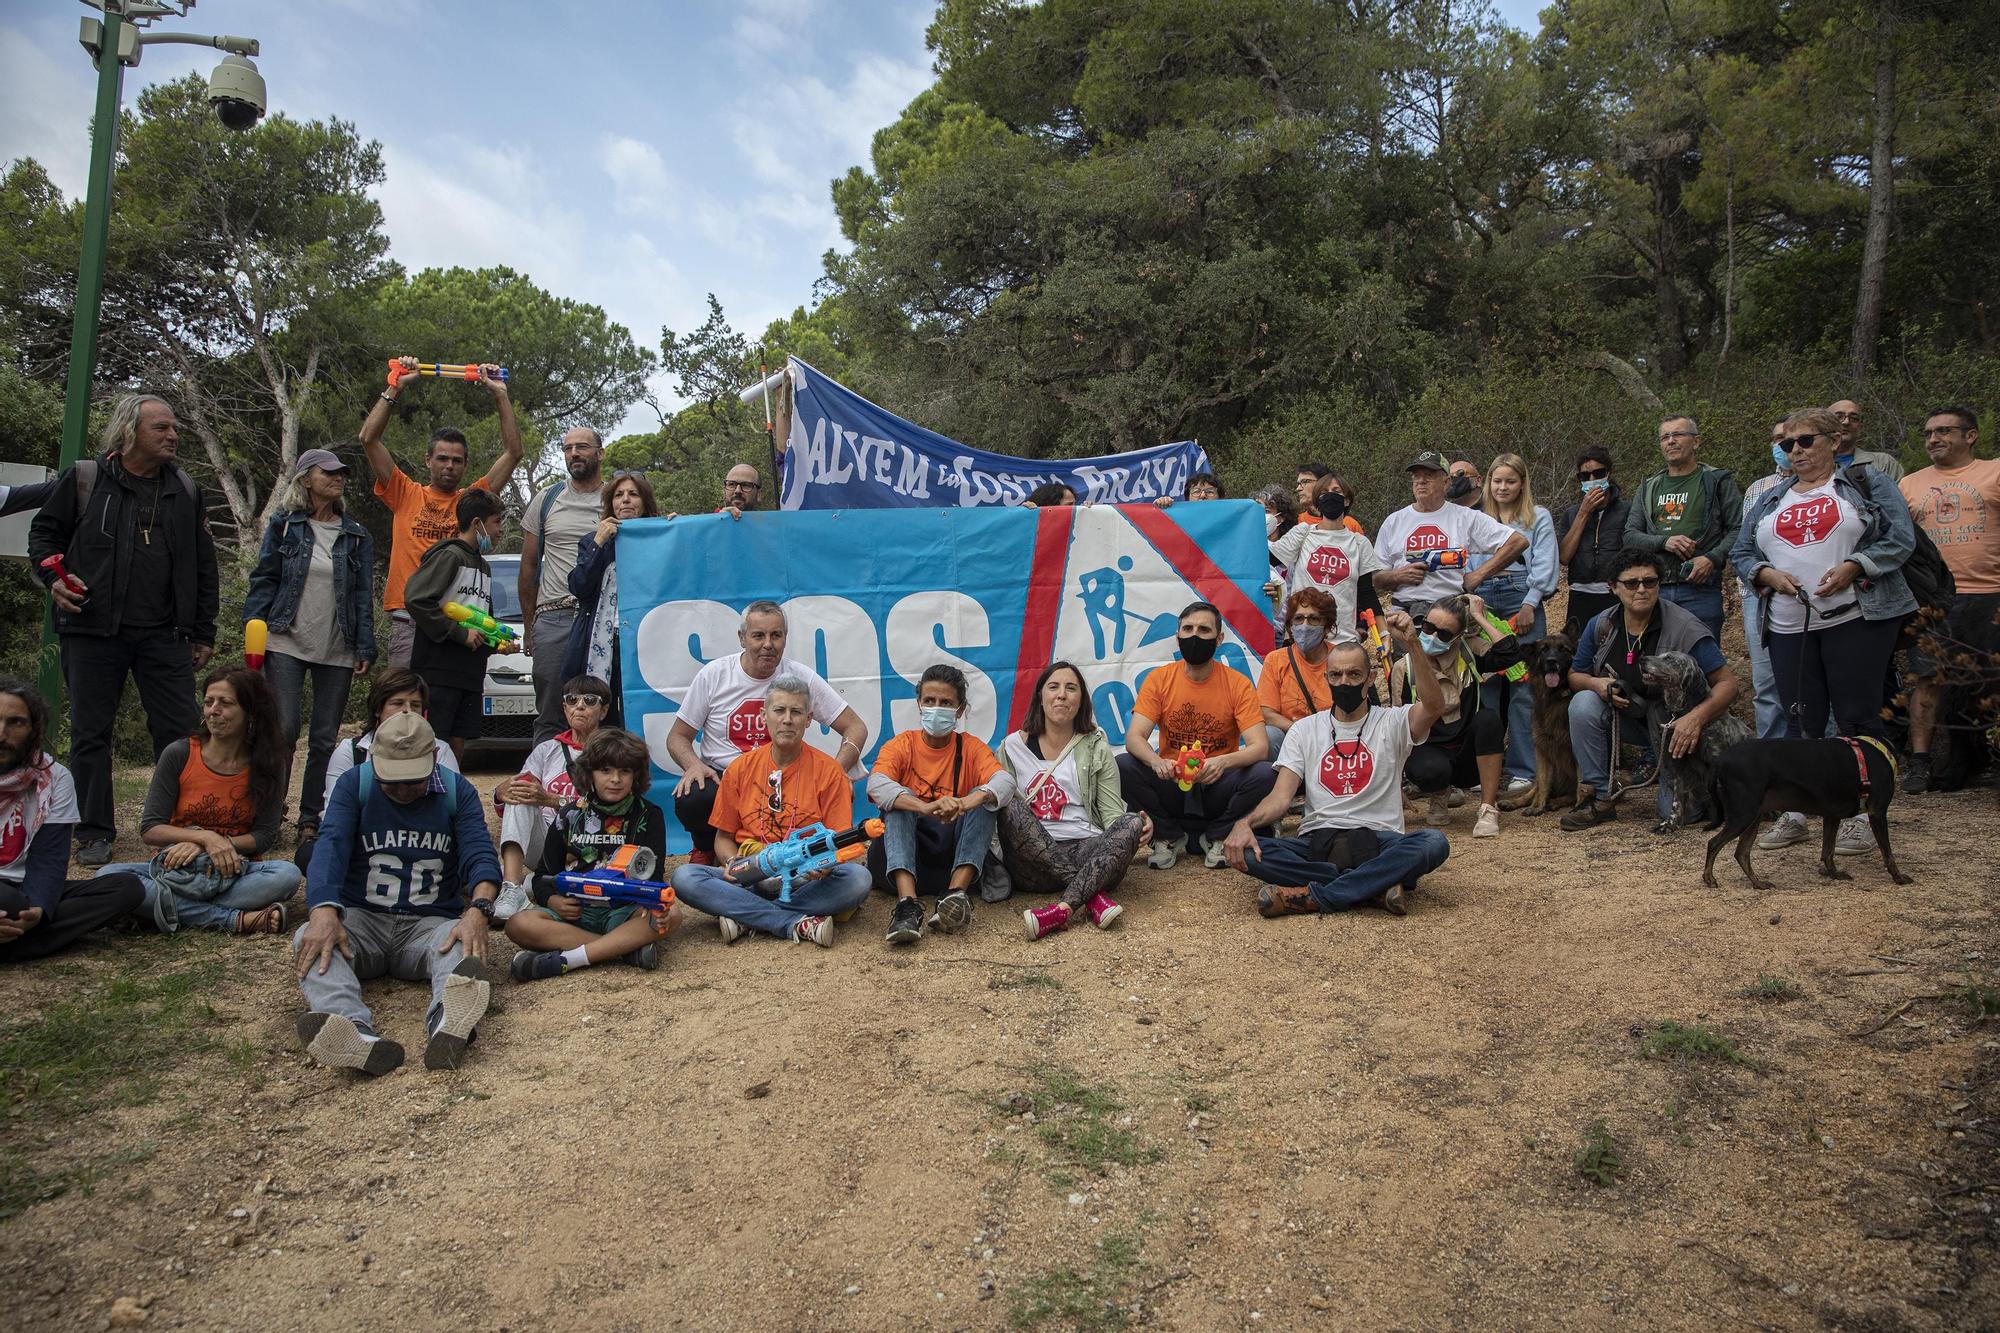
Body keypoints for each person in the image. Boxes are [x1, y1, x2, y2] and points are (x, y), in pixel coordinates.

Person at [28, 394, 218, 867]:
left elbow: (204, 565)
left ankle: (184, 824)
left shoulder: (186, 490)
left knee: (180, 731)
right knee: (91, 732)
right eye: (162, 428)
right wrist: (54, 580)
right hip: (92, 629)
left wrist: (203, 630)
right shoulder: (86, 480)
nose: (173, 435)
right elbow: (44, 536)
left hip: (164, 633)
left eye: (174, 428)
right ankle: (94, 832)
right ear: (130, 432)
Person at [1735, 408, 1917, 854]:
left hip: (1856, 617)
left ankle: (1860, 813)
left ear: (1834, 440)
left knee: (1857, 716)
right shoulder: (1769, 497)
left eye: (1805, 441)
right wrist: (1764, 573)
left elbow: (1900, 538)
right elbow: (1741, 549)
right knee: (1800, 719)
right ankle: (1798, 813)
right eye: (1787, 444)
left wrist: (1857, 565)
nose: (1794, 450)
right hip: (1787, 624)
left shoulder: (1865, 484)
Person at [293, 712, 498, 1075]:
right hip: (362, 921)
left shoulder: (457, 791)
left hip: (430, 925)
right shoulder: (354, 785)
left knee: (463, 947)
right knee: (308, 939)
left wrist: (478, 911)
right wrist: (323, 911)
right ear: (374, 760)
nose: (403, 790)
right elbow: (330, 847)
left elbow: (479, 853)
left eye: (413, 781)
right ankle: (353, 1033)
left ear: (434, 757)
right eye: (393, 782)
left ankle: (449, 1022)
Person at [1221, 615, 1452, 918]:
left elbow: (1434, 705)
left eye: (1354, 675)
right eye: (1337, 675)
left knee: (1433, 842)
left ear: (1370, 679)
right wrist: (1245, 824)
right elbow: (1280, 798)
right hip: (1318, 839)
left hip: (1379, 839)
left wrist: (1412, 644)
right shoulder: (1304, 729)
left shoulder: (1393, 721)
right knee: (1248, 853)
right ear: (1327, 678)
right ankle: (1375, 886)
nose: (1345, 682)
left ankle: (1317, 895)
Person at [668, 676, 873, 947]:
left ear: (809, 719)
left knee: (857, 879)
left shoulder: (830, 772)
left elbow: (835, 845)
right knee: (685, 877)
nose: (787, 719)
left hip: (804, 879)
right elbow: (723, 838)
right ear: (764, 717)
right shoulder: (740, 768)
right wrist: (732, 863)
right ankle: (794, 922)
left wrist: (822, 867)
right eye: (779, 711)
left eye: (796, 712)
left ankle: (746, 915)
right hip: (751, 875)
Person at [94, 669, 301, 934]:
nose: (213, 710)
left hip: (235, 870)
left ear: (250, 712)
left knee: (287, 875)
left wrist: (218, 845)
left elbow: (264, 835)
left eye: (225, 703)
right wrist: (204, 839)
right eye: (208, 702)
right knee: (106, 877)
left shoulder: (269, 763)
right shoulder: (179, 753)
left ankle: (156, 912)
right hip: (174, 870)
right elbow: (151, 828)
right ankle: (235, 920)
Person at [665, 601, 868, 862]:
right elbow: (677, 737)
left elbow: (855, 727)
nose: (768, 644)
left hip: (788, 774)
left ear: (785, 638)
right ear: (742, 638)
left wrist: (836, 772)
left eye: (776, 635)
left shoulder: (800, 677)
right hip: (729, 776)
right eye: (758, 635)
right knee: (695, 794)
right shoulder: (713, 675)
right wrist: (692, 765)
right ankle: (707, 847)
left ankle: (796, 857)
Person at [243, 449, 377, 845]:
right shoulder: (284, 526)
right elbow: (264, 578)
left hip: (338, 645)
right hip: (284, 638)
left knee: (323, 736)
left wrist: (365, 647)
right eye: (329, 472)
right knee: (282, 731)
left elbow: (361, 595)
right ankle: (268, 815)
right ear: (305, 479)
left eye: (341, 473)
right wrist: (254, 629)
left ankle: (309, 819)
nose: (338, 478)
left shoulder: (355, 535)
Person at [360, 357, 523, 668]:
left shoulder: (473, 501)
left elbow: (514, 452)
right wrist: (396, 385)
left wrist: (500, 394)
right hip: (410, 619)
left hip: (460, 620)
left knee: (446, 710)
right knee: (406, 703)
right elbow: (368, 438)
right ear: (428, 461)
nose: (449, 465)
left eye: (457, 460)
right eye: (442, 458)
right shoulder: (405, 492)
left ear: (464, 465)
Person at [1562, 549, 1739, 832]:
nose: (1642, 589)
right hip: (1628, 717)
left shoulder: (1685, 627)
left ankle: (1708, 790)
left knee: (1685, 813)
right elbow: (1575, 676)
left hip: (1675, 727)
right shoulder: (1601, 625)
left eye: (1650, 582)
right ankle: (1598, 797)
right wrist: (1595, 684)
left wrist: (1695, 719)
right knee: (1583, 703)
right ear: (1613, 588)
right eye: (1631, 583)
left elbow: (1728, 684)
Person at [506, 728, 681, 980]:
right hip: (574, 913)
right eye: (606, 770)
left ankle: (572, 958)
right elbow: (543, 875)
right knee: (518, 924)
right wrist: (553, 901)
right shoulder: (568, 815)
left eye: (625, 771)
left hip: (624, 911)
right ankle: (623, 949)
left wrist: (653, 904)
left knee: (672, 915)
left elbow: (654, 875)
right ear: (589, 773)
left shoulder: (649, 815)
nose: (615, 779)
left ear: (637, 775)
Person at [1116, 601, 1277, 869]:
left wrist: (1222, 762)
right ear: (1177, 636)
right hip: (1172, 782)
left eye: (1204, 630)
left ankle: (1218, 834)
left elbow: (1259, 747)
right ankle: (1167, 835)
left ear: (1219, 639)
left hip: (1217, 783)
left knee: (1265, 773)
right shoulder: (1159, 679)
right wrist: (1156, 762)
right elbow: (1135, 737)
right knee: (1123, 765)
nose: (1194, 636)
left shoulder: (1238, 683)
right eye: (1187, 629)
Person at [999, 662, 1151, 940]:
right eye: (1053, 687)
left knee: (1131, 821)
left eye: (1071, 688)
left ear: (1081, 701)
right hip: (1031, 864)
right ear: (1040, 697)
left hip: (1086, 853)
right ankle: (1092, 899)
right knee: (1008, 804)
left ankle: (1061, 910)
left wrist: (1133, 828)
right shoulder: (1012, 747)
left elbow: (1111, 815)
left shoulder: (1096, 746)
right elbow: (1001, 816)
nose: (1061, 695)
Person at [867, 665, 1013, 945]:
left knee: (985, 799)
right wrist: (923, 806)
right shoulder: (901, 745)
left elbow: (1004, 783)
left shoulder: (971, 747)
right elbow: (876, 785)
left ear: (960, 710)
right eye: (930, 701)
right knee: (899, 801)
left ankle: (954, 897)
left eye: (946, 703)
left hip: (952, 861)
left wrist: (968, 801)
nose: (937, 708)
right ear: (919, 704)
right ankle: (907, 905)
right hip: (901, 861)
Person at [0, 679, 143, 962]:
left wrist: (39, 909)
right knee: (10, 903)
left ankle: (16, 935)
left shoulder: (55, 777)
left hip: (23, 888)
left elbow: (49, 857)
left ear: (34, 730)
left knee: (127, 888)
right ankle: (24, 942)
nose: (2, 733)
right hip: (8, 898)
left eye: (15, 723)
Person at [1899, 407, 2000, 793]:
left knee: (1989, 682)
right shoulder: (1909, 483)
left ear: (1970, 436)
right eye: (1927, 434)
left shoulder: (1993, 472)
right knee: (1929, 679)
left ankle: (1986, 760)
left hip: (1989, 592)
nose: (1933, 439)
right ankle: (1921, 762)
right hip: (1932, 599)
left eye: (1943, 431)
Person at [1392, 594, 1522, 837]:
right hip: (1429, 751)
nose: (1432, 637)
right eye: (1428, 627)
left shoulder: (1468, 652)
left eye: (1443, 634)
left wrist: (1477, 617)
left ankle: (1487, 808)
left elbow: (1509, 653)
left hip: (1467, 754)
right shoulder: (1404, 667)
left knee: (1489, 719)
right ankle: (1439, 795)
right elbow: (1395, 729)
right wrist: (1394, 785)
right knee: (1431, 769)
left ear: (1458, 636)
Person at [1473, 454, 1559, 797]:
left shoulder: (1538, 517)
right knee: (1487, 684)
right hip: (1483, 599)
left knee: (1525, 688)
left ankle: (1524, 770)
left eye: (1510, 481)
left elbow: (1546, 561)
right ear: (1488, 484)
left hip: (1521, 593)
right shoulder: (1476, 519)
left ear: (1522, 483)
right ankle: (1486, 768)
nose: (1503, 487)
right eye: (1497, 481)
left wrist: (1530, 604)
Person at [403, 489, 506, 763]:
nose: (501, 530)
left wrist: (498, 643)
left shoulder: (484, 566)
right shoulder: (449, 555)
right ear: (477, 523)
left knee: (458, 743)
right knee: (433, 740)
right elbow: (417, 599)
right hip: (439, 672)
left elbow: (482, 617)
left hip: (469, 674)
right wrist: (458, 634)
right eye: (496, 522)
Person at [518, 428, 607, 745]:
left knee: (604, 710)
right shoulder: (547, 499)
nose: (574, 454)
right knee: (552, 712)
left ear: (600, 452)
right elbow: (528, 565)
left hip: (601, 620)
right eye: (567, 448)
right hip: (553, 618)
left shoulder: (617, 498)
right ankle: (545, 786)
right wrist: (530, 626)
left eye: (582, 447)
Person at [1622, 415, 1742, 642]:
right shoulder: (1649, 487)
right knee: (1656, 663)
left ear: (1696, 442)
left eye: (1678, 434)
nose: (1671, 441)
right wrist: (1664, 541)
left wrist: (1711, 558)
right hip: (1655, 589)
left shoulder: (1716, 481)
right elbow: (1630, 535)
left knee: (1701, 662)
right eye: (1665, 437)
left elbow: (1738, 528)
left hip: (1701, 589)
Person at [495, 676, 610, 913]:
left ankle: (538, 884)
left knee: (532, 796)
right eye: (572, 700)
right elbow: (516, 796)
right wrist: (500, 793)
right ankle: (512, 888)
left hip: (594, 846)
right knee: (522, 794)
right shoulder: (546, 750)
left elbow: (612, 806)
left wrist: (550, 799)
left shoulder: (614, 750)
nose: (580, 705)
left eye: (589, 700)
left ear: (604, 710)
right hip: (548, 844)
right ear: (564, 708)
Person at [1372, 451, 1528, 619]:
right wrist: (1397, 575)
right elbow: (1376, 577)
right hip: (1405, 615)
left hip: (1451, 615)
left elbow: (1517, 542)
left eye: (1429, 475)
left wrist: (1477, 575)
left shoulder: (1465, 517)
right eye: (1416, 476)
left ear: (1446, 483)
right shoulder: (1393, 521)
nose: (1421, 481)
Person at [563, 471, 659, 721]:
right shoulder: (592, 541)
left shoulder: (660, 539)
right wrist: (599, 541)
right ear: (610, 504)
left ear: (645, 502)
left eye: (633, 494)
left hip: (645, 642)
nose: (625, 500)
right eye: (619, 495)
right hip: (605, 643)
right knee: (603, 714)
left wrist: (672, 530)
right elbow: (579, 585)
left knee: (638, 710)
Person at [1739, 422, 1796, 740]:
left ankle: (1818, 753)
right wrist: (1751, 589)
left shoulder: (1829, 486)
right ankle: (1772, 757)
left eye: (1790, 439)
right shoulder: (1757, 489)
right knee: (1766, 682)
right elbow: (1743, 545)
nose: (1785, 446)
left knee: (1810, 679)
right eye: (1777, 439)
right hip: (1759, 593)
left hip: (1812, 591)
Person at [1268, 487, 1385, 638]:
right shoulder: (1302, 532)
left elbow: (1367, 593)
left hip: (1343, 638)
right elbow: (1266, 563)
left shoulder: (1359, 542)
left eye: (1336, 491)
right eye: (1324, 493)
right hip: (1302, 635)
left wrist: (1384, 632)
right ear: (1317, 501)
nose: (1330, 496)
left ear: (1347, 500)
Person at [1556, 446, 1633, 635]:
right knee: (1580, 650)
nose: (1592, 480)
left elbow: (1632, 552)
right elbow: (1564, 556)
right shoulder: (1571, 514)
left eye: (1598, 473)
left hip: (1614, 593)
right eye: (1585, 476)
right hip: (1580, 594)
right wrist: (1584, 513)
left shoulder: (1628, 510)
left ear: (1609, 473)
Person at [1257, 589, 1338, 753]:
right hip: (1293, 739)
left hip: (1333, 739)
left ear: (1327, 627)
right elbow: (1266, 713)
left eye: (1314, 619)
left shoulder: (1341, 659)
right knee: (1268, 735)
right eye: (1299, 619)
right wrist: (1301, 730)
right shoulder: (1276, 660)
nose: (1305, 626)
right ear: (1290, 626)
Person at [1828, 399, 1906, 482]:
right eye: (1839, 417)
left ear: (1860, 426)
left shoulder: (1884, 463)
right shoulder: (1814, 465)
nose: (1846, 422)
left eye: (1854, 418)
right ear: (1825, 424)